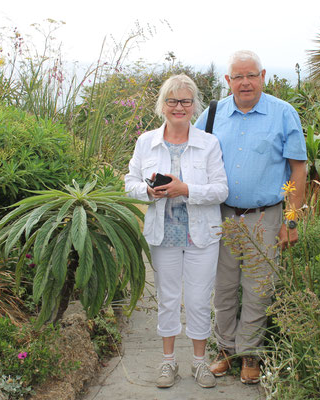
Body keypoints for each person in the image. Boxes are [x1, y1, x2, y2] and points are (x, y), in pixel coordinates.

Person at [195, 50, 307, 384]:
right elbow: (188, 148)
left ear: (263, 76)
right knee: (224, 287)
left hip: (265, 217)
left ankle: (250, 354)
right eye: (238, 77)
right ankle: (225, 350)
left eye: (251, 75)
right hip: (222, 215)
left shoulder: (283, 114)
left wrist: (292, 219)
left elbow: (298, 169)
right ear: (228, 81)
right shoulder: (213, 114)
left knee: (259, 289)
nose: (245, 83)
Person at [125, 74, 228, 389]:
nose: (179, 107)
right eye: (172, 101)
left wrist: (186, 189)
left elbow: (221, 190)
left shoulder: (208, 143)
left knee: (198, 299)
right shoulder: (147, 142)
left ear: (194, 105)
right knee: (168, 299)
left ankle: (199, 363)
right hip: (163, 234)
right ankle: (168, 362)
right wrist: (147, 191)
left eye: (185, 101)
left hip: (202, 235)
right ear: (163, 105)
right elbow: (129, 183)